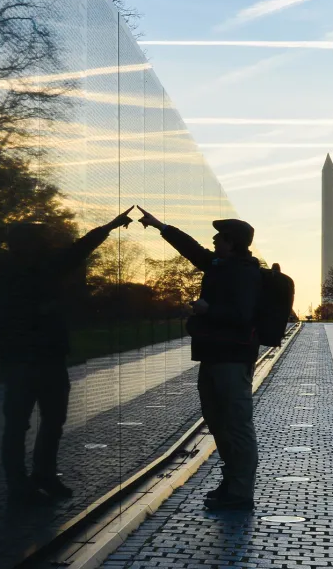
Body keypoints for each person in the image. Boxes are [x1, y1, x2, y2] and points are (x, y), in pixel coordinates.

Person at [0, 207, 134, 505]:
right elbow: (76, 251)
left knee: (51, 419)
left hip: (47, 356)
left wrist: (109, 227)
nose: (46, 241)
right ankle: (20, 482)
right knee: (20, 422)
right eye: (39, 237)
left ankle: (41, 476)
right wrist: (36, 314)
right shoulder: (10, 273)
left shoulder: (43, 266)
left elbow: (79, 249)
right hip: (24, 357)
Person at [136, 205, 261, 512]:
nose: (214, 241)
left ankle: (241, 492)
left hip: (232, 358)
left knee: (236, 424)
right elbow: (193, 250)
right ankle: (230, 482)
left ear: (232, 243)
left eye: (220, 238)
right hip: (215, 356)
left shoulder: (245, 273)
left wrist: (208, 311)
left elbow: (244, 316)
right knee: (218, 422)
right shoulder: (221, 265)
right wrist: (160, 226)